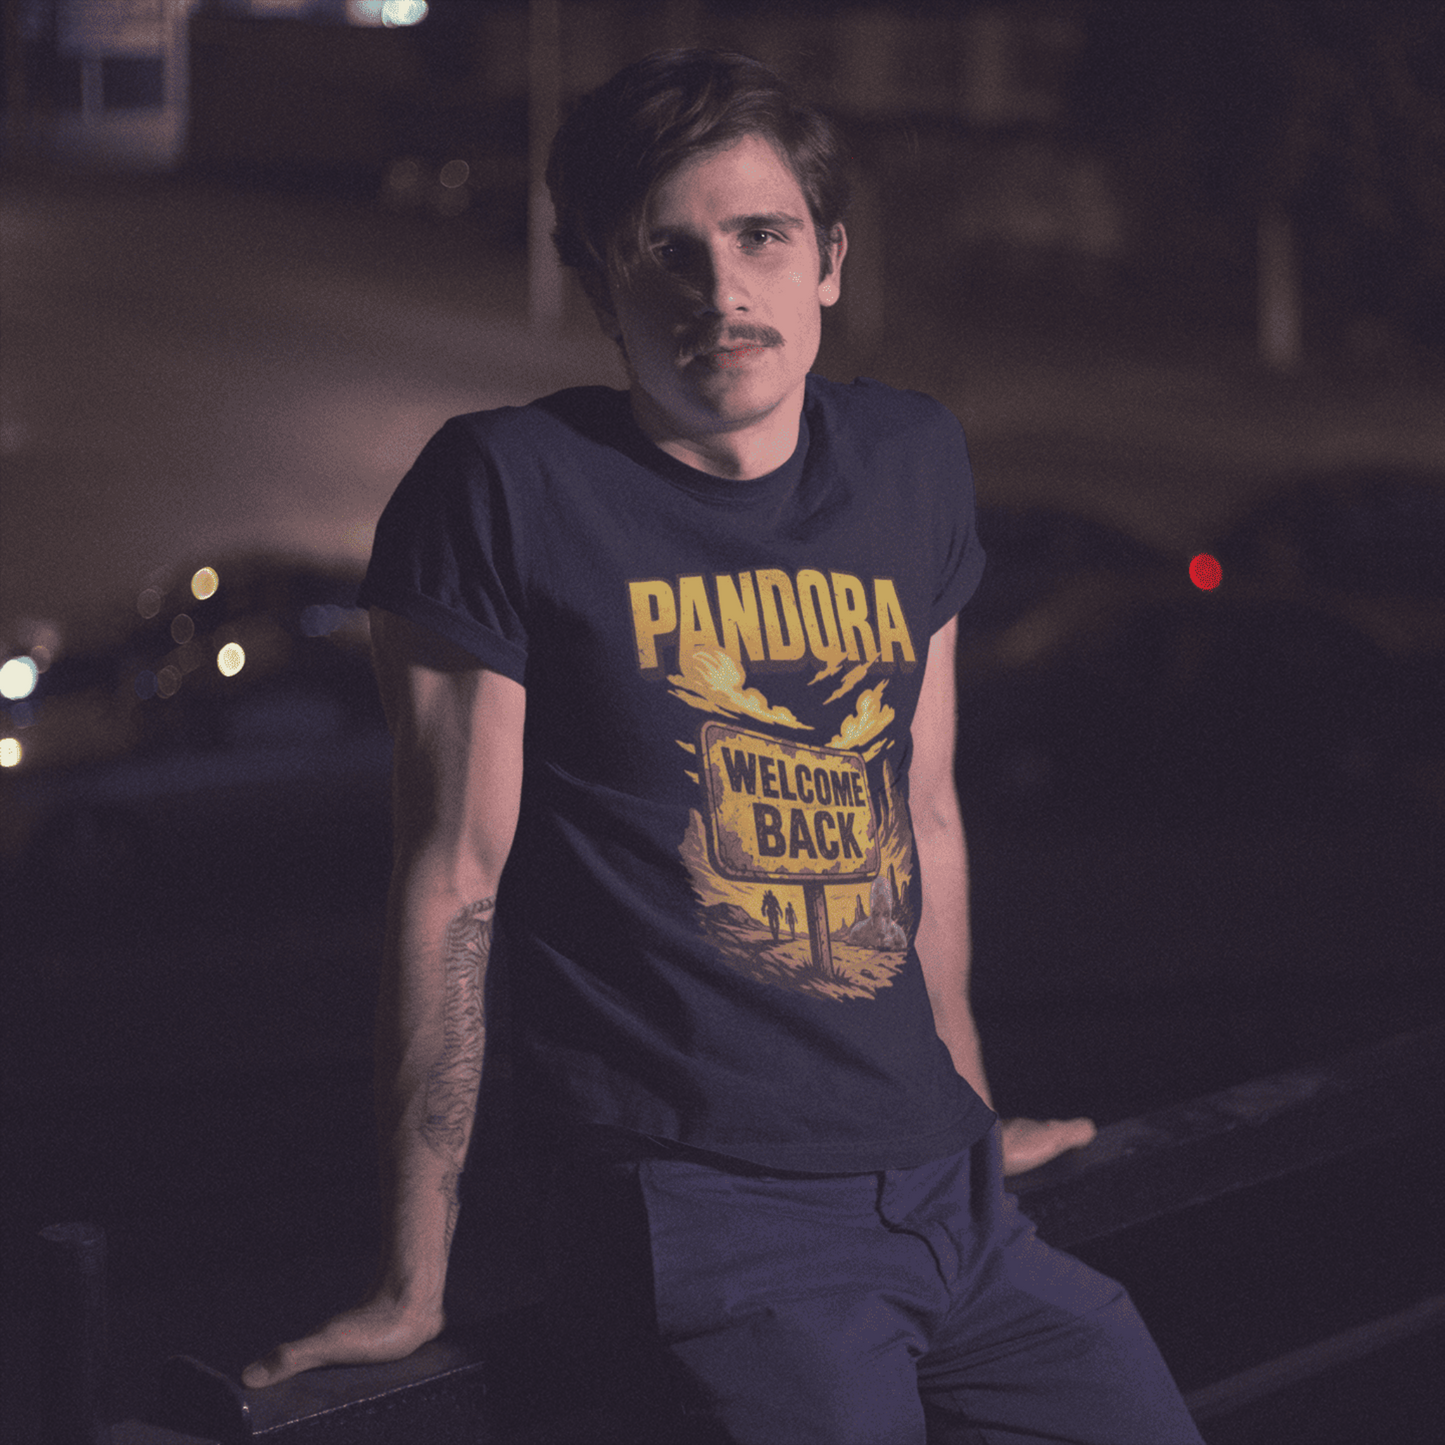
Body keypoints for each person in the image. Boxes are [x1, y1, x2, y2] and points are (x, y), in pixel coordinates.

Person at [243, 48, 1196, 1444]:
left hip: (950, 1203)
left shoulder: (913, 458)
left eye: (761, 237)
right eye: (666, 254)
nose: (721, 290)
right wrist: (412, 1271)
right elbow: (453, 878)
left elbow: (919, 816)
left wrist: (972, 1114)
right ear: (602, 284)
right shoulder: (505, 490)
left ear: (829, 259)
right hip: (715, 1215)